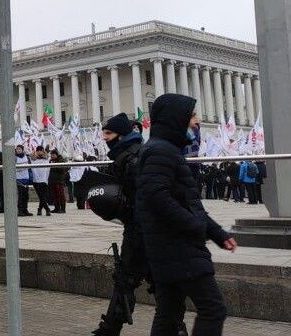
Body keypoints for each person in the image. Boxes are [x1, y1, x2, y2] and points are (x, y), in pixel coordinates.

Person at [136, 94, 236, 335]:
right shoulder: (162, 151)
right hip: (178, 245)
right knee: (213, 308)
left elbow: (190, 203)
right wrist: (194, 226)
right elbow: (156, 196)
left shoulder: (165, 150)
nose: (197, 121)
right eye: (191, 115)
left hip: (168, 245)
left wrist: (217, 233)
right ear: (175, 118)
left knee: (168, 314)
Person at [93, 112, 148, 335]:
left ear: (121, 134)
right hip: (141, 226)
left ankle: (111, 329)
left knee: (125, 279)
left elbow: (140, 195)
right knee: (159, 283)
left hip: (140, 228)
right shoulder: (126, 154)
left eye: (109, 133)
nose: (105, 137)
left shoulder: (131, 157)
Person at [30, 146, 51, 216]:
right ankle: (47, 209)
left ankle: (40, 209)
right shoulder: (33, 159)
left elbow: (48, 155)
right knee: (41, 196)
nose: (39, 152)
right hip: (36, 180)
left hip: (44, 180)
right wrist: (34, 151)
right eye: (38, 150)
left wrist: (44, 152)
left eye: (40, 150)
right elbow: (31, 155)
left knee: (43, 197)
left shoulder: (46, 159)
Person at [14, 146, 33, 216]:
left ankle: (25, 210)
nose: (18, 150)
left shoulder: (27, 157)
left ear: (22, 150)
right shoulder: (15, 158)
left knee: (26, 195)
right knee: (20, 196)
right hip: (19, 179)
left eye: (20, 149)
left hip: (26, 178)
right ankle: (20, 211)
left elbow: (30, 168)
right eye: (17, 149)